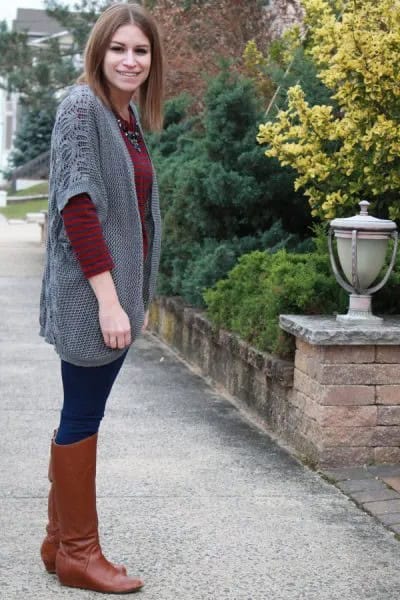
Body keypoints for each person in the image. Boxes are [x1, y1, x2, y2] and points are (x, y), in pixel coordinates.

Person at [39, 2, 164, 593]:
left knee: (80, 413)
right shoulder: (82, 108)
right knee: (82, 415)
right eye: (119, 48)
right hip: (92, 294)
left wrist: (132, 295)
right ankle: (79, 556)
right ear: (99, 51)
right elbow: (79, 208)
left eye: (140, 50)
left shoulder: (126, 116)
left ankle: (57, 539)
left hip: (115, 292)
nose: (130, 60)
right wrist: (110, 301)